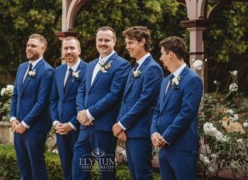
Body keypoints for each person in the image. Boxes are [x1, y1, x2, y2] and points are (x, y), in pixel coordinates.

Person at [73, 26, 131, 180]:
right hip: (85, 127)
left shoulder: (122, 64)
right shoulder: (90, 65)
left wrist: (90, 114)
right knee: (78, 168)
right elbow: (81, 91)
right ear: (96, 41)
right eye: (100, 40)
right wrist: (81, 113)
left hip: (104, 127)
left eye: (107, 40)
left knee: (106, 172)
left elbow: (114, 95)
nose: (103, 43)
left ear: (114, 41)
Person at [112, 26, 163, 180]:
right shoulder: (135, 67)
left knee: (142, 175)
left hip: (141, 131)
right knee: (135, 175)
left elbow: (145, 101)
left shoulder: (153, 68)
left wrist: (122, 124)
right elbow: (126, 99)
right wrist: (120, 124)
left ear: (142, 42)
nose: (127, 46)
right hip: (131, 131)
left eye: (130, 42)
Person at [150, 36, 203, 180]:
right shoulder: (165, 81)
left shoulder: (193, 79)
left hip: (182, 148)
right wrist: (154, 132)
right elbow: (157, 110)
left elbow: (187, 113)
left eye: (162, 53)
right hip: (164, 148)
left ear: (171, 55)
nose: (160, 58)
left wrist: (166, 136)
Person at [10, 33, 54, 180]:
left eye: (33, 46)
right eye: (28, 45)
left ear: (43, 48)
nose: (29, 48)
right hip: (18, 126)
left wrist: (25, 123)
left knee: (36, 164)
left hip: (36, 127)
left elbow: (42, 102)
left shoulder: (47, 71)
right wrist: (13, 118)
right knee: (23, 165)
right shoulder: (22, 67)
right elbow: (16, 94)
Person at [50, 36, 87, 180]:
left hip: (79, 128)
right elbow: (53, 99)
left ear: (79, 50)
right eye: (65, 48)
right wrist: (55, 123)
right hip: (60, 129)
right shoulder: (58, 71)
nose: (68, 51)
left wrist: (72, 124)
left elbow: (86, 101)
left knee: (81, 170)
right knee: (66, 167)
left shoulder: (88, 70)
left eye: (72, 48)